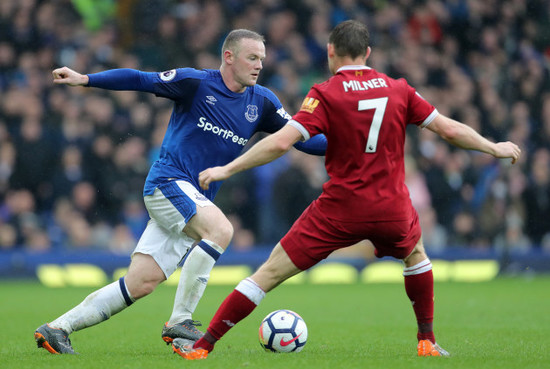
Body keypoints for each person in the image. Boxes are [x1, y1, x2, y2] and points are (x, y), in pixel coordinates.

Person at [172, 20, 521, 360]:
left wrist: (228, 168)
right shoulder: (399, 88)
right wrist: (494, 147)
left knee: (269, 273)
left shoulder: (325, 93)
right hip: (391, 205)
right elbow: (447, 129)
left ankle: (204, 345)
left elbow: (281, 142)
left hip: (341, 207)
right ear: (367, 52)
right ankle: (427, 340)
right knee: (416, 256)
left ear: (330, 52)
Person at [34, 29, 326, 355]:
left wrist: (351, 143)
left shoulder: (263, 102)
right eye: (252, 57)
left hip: (193, 200)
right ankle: (180, 320)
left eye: (262, 59)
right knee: (221, 230)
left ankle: (57, 329)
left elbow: (304, 139)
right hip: (167, 183)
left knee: (141, 282)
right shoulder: (196, 83)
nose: (259, 65)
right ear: (228, 56)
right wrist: (86, 79)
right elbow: (140, 79)